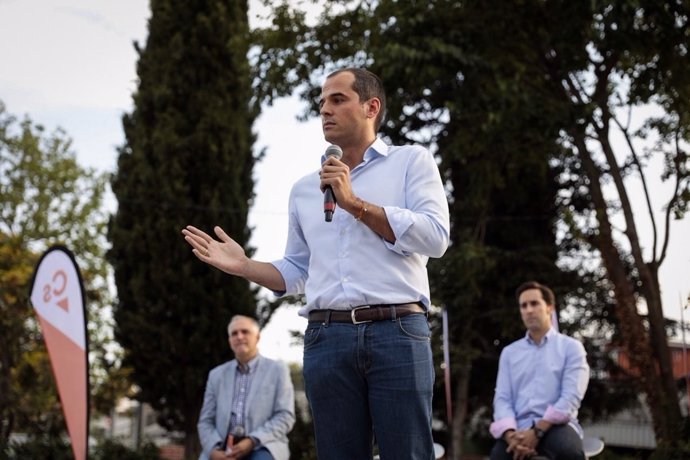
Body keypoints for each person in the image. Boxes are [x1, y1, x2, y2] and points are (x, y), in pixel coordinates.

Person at [183, 67, 450, 459]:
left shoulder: (411, 162)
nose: (324, 109)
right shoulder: (305, 190)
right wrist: (244, 266)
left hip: (398, 332)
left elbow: (435, 237)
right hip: (327, 338)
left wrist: (355, 204)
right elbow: (296, 271)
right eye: (321, 101)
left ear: (371, 106)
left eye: (337, 99)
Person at [489, 281, 590, 460]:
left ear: (549, 307)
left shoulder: (571, 348)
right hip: (518, 429)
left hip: (556, 426)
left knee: (569, 453)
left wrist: (537, 432)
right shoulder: (510, 353)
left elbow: (570, 397)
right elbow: (502, 398)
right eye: (523, 305)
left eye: (534, 303)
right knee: (498, 456)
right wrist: (510, 435)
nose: (528, 310)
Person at [198, 315, 295, 460]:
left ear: (258, 337)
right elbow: (205, 421)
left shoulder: (278, 370)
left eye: (245, 331)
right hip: (222, 446)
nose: (239, 336)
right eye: (234, 333)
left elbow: (285, 416)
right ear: (230, 340)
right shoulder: (216, 375)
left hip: (263, 444)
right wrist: (213, 451)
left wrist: (251, 440)